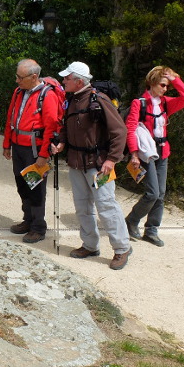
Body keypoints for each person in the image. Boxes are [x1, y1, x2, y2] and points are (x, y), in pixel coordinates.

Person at [50, 61, 132, 270]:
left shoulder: (99, 99)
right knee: (82, 207)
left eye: (67, 78)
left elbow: (119, 131)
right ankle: (90, 245)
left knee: (106, 206)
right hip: (77, 163)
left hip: (98, 165)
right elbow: (68, 127)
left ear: (79, 81)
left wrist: (112, 159)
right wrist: (62, 142)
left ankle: (122, 248)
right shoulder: (72, 100)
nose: (63, 81)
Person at [125, 66, 184, 246]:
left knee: (161, 194)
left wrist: (175, 80)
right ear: (152, 83)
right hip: (146, 153)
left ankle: (152, 230)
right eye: (162, 85)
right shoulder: (139, 103)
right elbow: (131, 129)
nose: (165, 89)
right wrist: (134, 154)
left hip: (163, 152)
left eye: (167, 86)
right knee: (152, 193)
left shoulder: (165, 103)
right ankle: (132, 220)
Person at [2, 59, 64, 243]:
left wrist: (44, 155)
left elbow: (51, 127)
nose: (17, 80)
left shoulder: (48, 95)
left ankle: (38, 227)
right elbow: (11, 116)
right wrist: (7, 143)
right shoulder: (19, 91)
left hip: (35, 149)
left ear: (34, 77)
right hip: (18, 145)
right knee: (22, 185)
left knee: (35, 188)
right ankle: (27, 220)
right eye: (17, 76)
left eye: (20, 77)